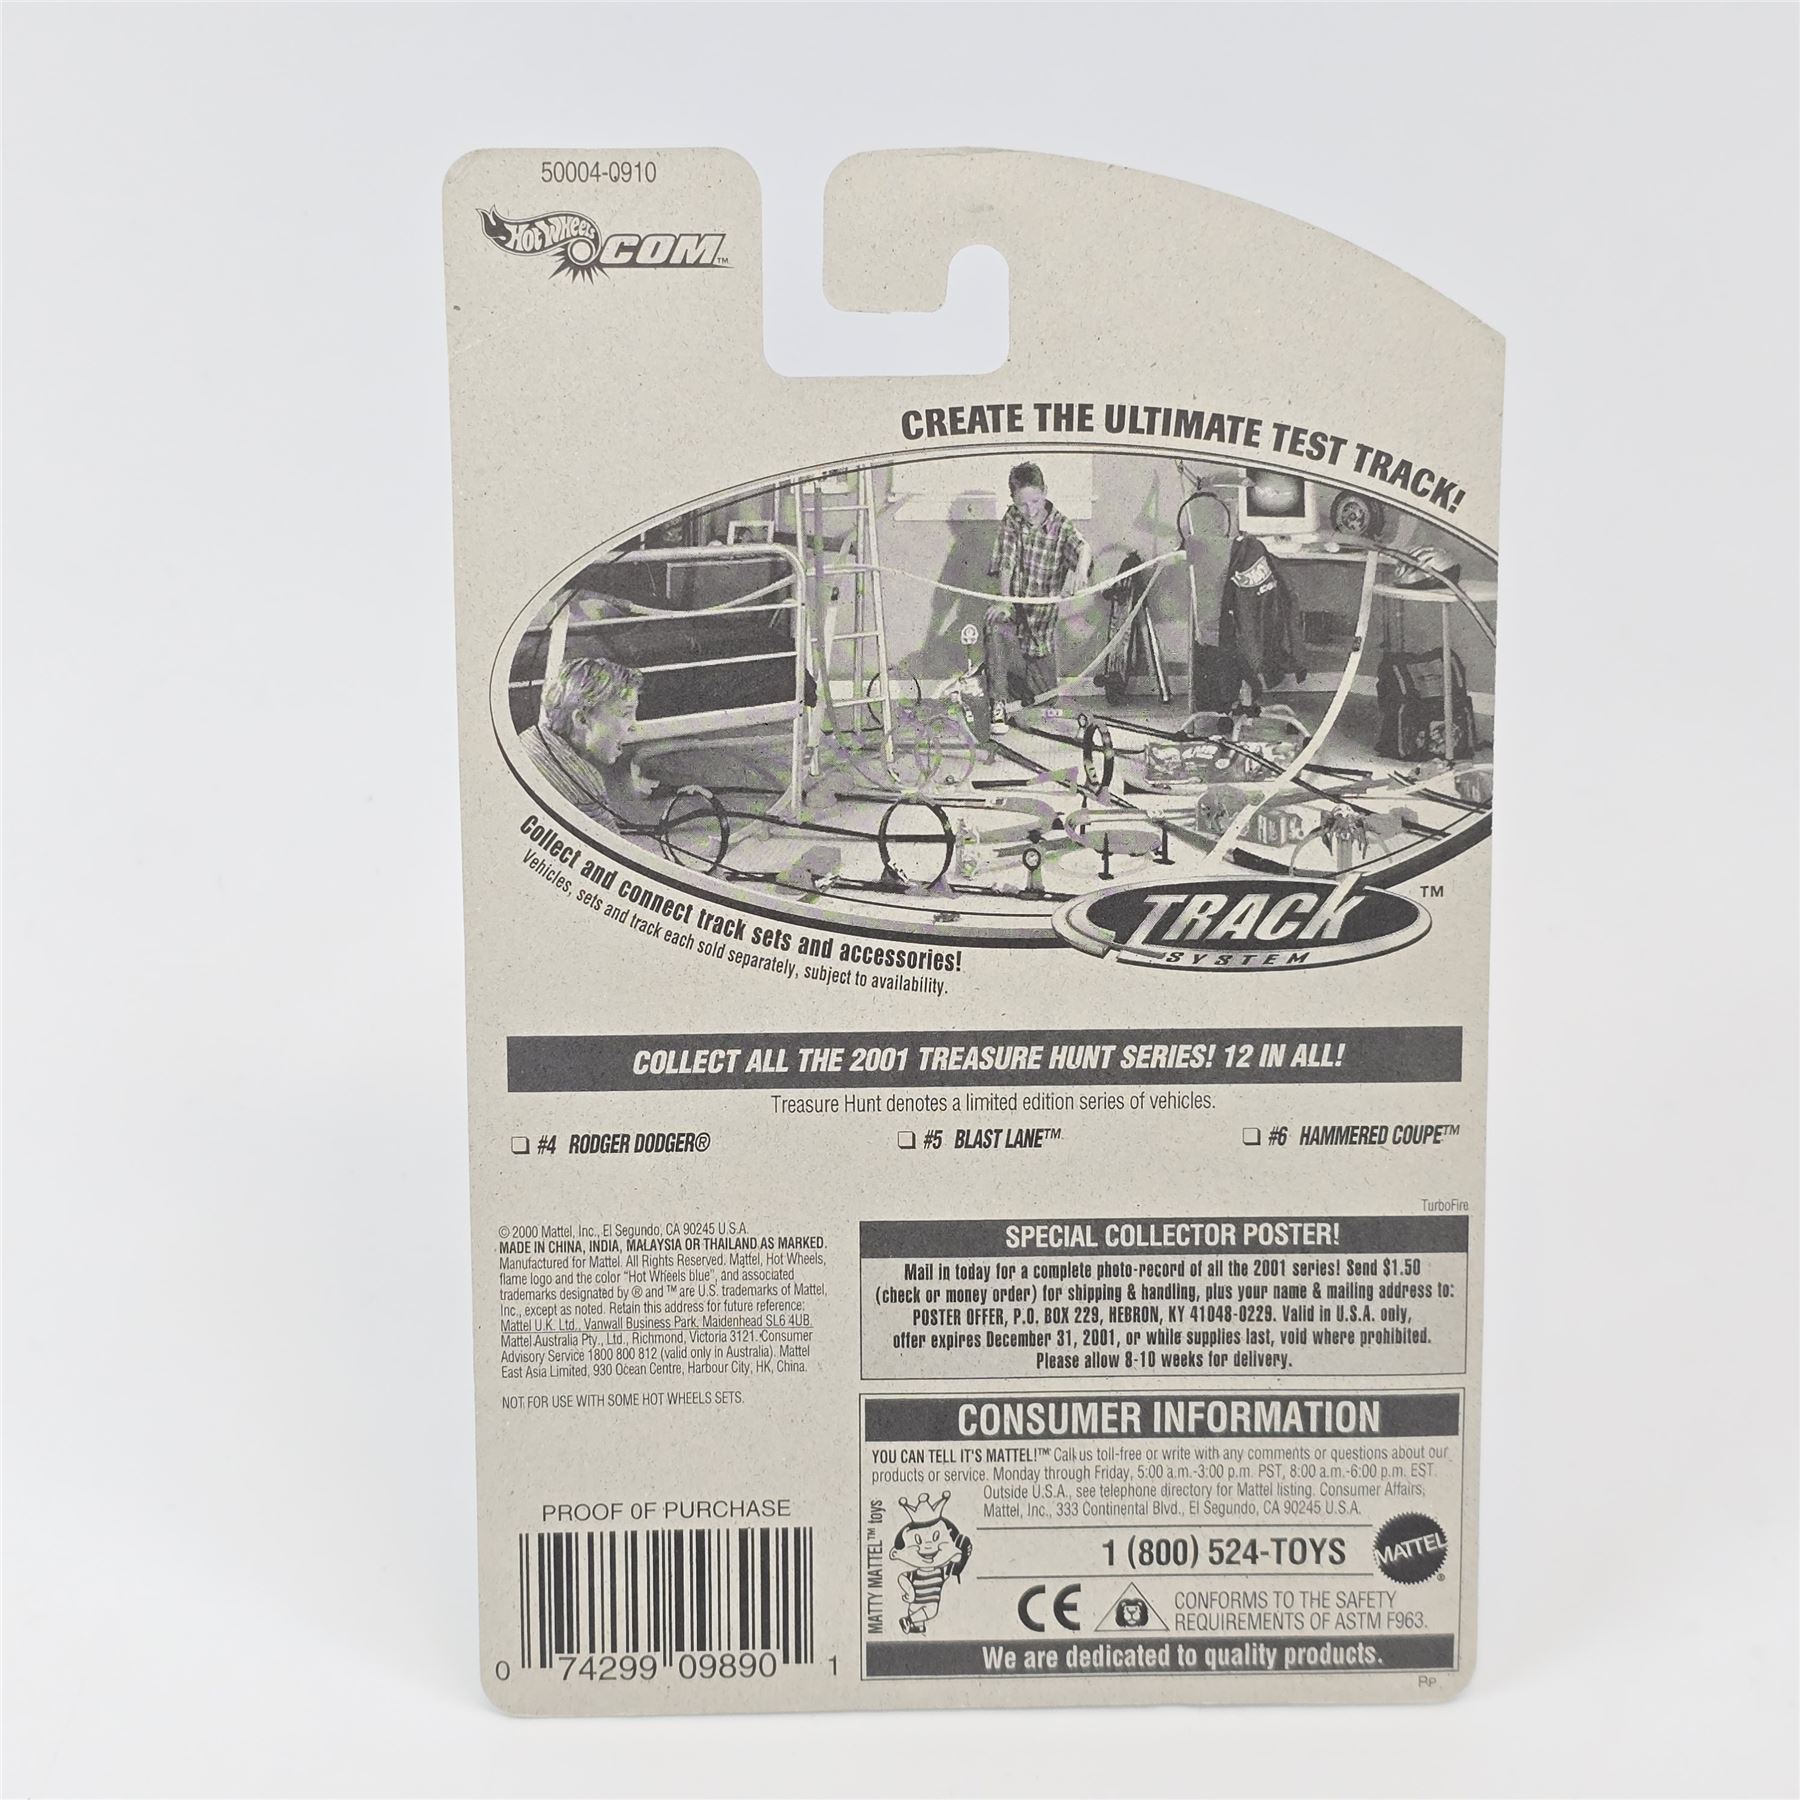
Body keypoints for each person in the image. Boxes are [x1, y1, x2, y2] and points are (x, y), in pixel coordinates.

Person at [982, 461, 1092, 735]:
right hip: (1014, 611)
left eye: (1035, 501)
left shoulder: (1060, 525)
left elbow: (1083, 548)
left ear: (1045, 492)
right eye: (1022, 504)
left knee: (1046, 700)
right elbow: (1006, 561)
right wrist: (1005, 600)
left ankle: (1014, 686)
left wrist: (1080, 570)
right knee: (994, 624)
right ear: (1012, 500)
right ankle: (998, 702)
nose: (1030, 511)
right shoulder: (1012, 518)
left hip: (1041, 626)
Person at [518, 655, 657, 826]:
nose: (634, 726)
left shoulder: (529, 738)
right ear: (582, 720)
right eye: (625, 713)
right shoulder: (585, 785)